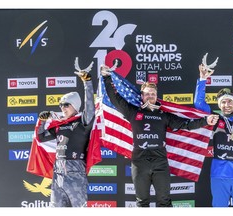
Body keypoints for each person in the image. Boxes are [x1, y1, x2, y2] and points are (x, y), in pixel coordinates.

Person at [100, 65, 218, 207]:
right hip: (139, 161)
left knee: (164, 201)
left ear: (156, 96)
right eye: (147, 94)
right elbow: (115, 98)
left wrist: (205, 121)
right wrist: (107, 77)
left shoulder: (163, 115)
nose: (150, 96)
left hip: (160, 161)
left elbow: (185, 124)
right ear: (142, 96)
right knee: (142, 202)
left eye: (153, 94)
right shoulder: (133, 112)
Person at [194, 64, 233, 207]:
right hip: (218, 174)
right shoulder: (215, 119)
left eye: (229, 101)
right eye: (223, 102)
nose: (226, 105)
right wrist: (202, 79)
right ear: (219, 104)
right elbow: (198, 104)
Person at [36, 66, 95, 207]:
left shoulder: (83, 121)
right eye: (61, 105)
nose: (62, 108)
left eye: (66, 105)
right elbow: (41, 138)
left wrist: (87, 83)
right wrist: (42, 122)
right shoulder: (59, 124)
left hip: (75, 172)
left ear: (75, 106)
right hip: (58, 174)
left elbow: (90, 106)